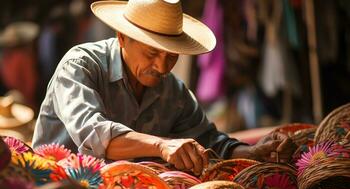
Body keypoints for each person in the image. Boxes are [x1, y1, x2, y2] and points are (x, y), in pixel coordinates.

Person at [32, 0, 295, 176]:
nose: (162, 66)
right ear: (122, 38)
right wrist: (162, 145)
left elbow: (211, 141)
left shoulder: (173, 91)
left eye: (171, 56)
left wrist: (253, 152)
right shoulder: (80, 66)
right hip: (58, 186)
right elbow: (95, 135)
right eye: (151, 53)